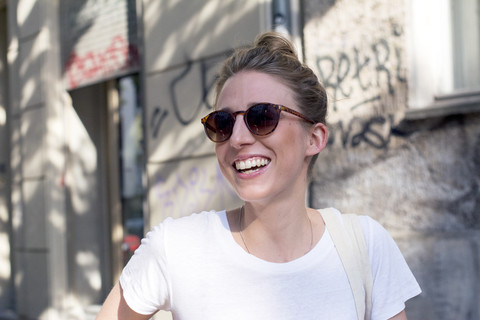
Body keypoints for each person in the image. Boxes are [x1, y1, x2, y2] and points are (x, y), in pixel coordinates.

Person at [97, 31, 421, 320]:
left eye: (262, 116)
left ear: (314, 138)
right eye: (222, 122)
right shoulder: (176, 249)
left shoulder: (365, 245)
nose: (237, 138)